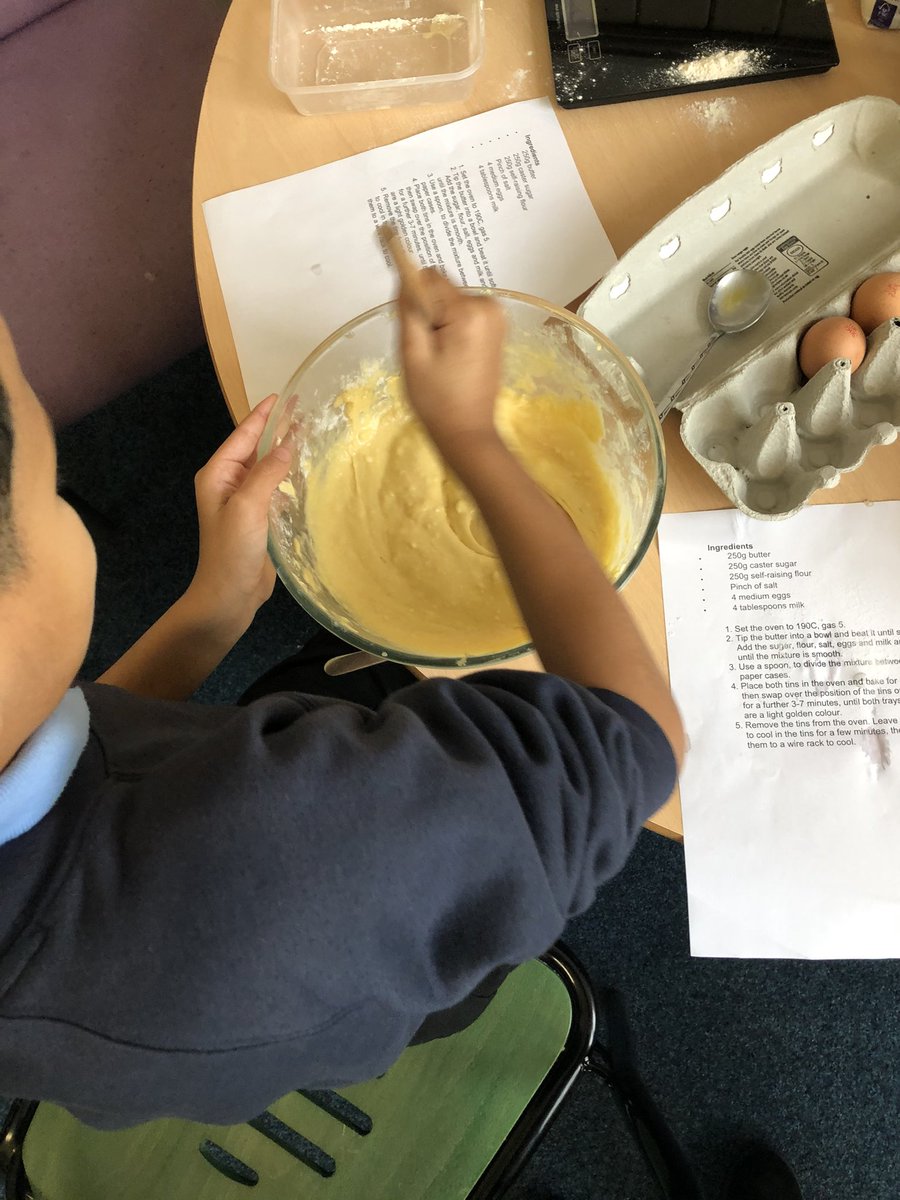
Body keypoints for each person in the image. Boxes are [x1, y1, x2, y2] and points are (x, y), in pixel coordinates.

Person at [0, 272, 683, 1130]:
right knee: (462, 969)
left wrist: (209, 615)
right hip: (367, 946)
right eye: (48, 492)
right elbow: (637, 736)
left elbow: (56, 741)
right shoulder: (290, 850)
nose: (66, 507)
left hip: (224, 902)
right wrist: (474, 441)